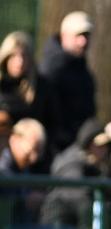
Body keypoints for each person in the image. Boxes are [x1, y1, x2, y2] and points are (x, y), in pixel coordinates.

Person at [36, 11, 97, 155]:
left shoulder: (82, 70)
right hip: (57, 149)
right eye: (78, 35)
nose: (83, 41)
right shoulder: (51, 69)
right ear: (64, 36)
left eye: (86, 35)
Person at [0, 31, 50, 127]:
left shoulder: (40, 87)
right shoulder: (2, 87)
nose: (19, 62)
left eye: (24, 55)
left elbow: (53, 122)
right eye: (13, 56)